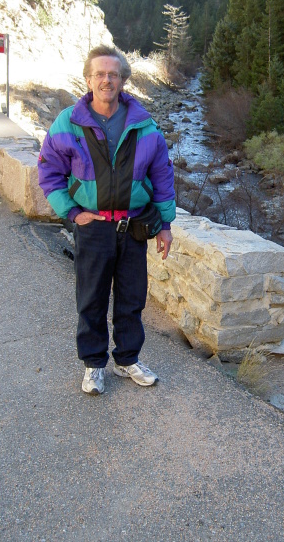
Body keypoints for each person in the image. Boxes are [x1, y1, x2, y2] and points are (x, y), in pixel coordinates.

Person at [38, 45, 176, 395]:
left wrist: (165, 225)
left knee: (132, 299)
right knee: (92, 299)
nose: (106, 80)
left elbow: (162, 175)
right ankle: (94, 364)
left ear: (123, 80)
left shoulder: (143, 124)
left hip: (133, 226)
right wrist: (72, 212)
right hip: (94, 227)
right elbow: (49, 172)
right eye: (99, 74)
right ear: (88, 80)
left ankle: (127, 359)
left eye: (113, 74)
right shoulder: (68, 122)